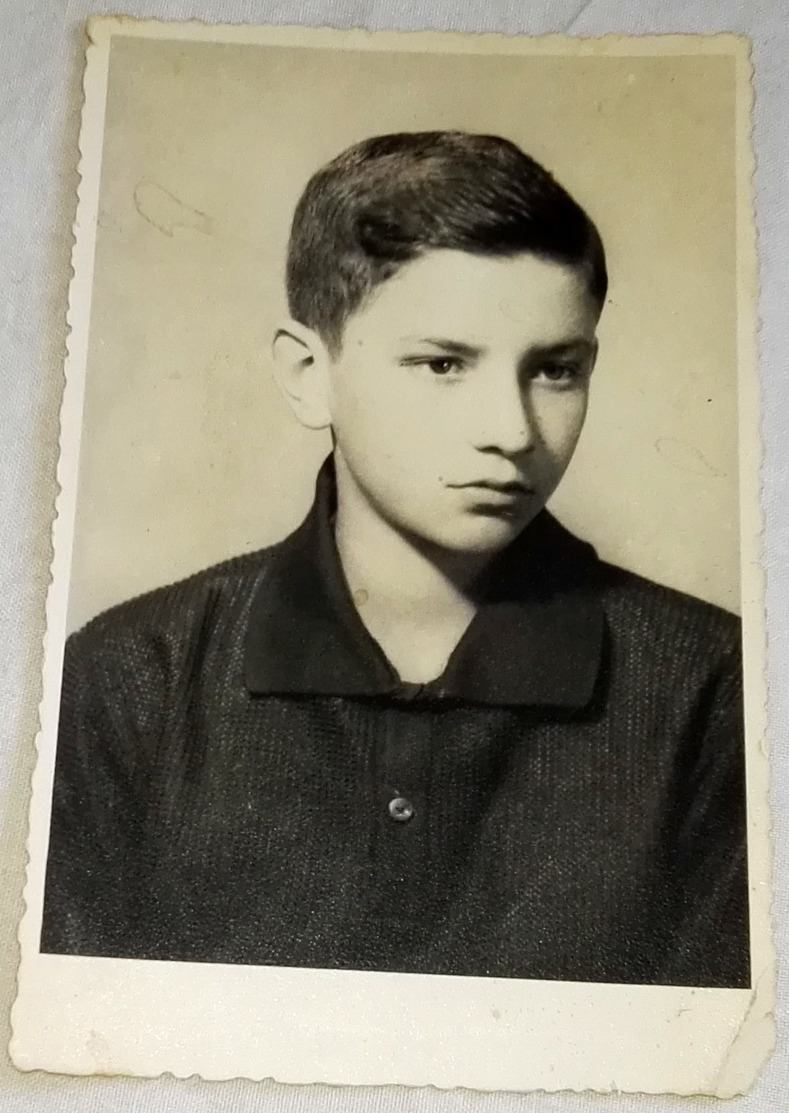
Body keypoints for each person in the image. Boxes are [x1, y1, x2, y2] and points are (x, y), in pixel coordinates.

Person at [41, 131, 750, 987]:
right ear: (309, 373)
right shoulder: (131, 677)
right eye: (443, 363)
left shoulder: (720, 688)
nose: (513, 430)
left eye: (555, 370)